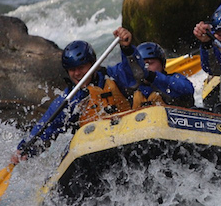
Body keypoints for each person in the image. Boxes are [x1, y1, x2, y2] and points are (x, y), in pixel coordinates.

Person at [12, 28, 141, 162]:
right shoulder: (70, 99)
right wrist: (24, 149)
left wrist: (127, 49)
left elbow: (137, 75)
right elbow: (47, 125)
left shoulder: (114, 76)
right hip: (94, 151)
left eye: (81, 68)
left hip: (126, 138)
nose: (77, 73)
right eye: (72, 70)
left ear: (93, 64)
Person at [131, 42, 195, 109]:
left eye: (149, 63)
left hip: (176, 118)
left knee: (154, 96)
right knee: (138, 96)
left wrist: (153, 77)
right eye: (141, 65)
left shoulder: (174, 79)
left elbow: (188, 89)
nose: (145, 68)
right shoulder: (132, 87)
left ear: (162, 64)